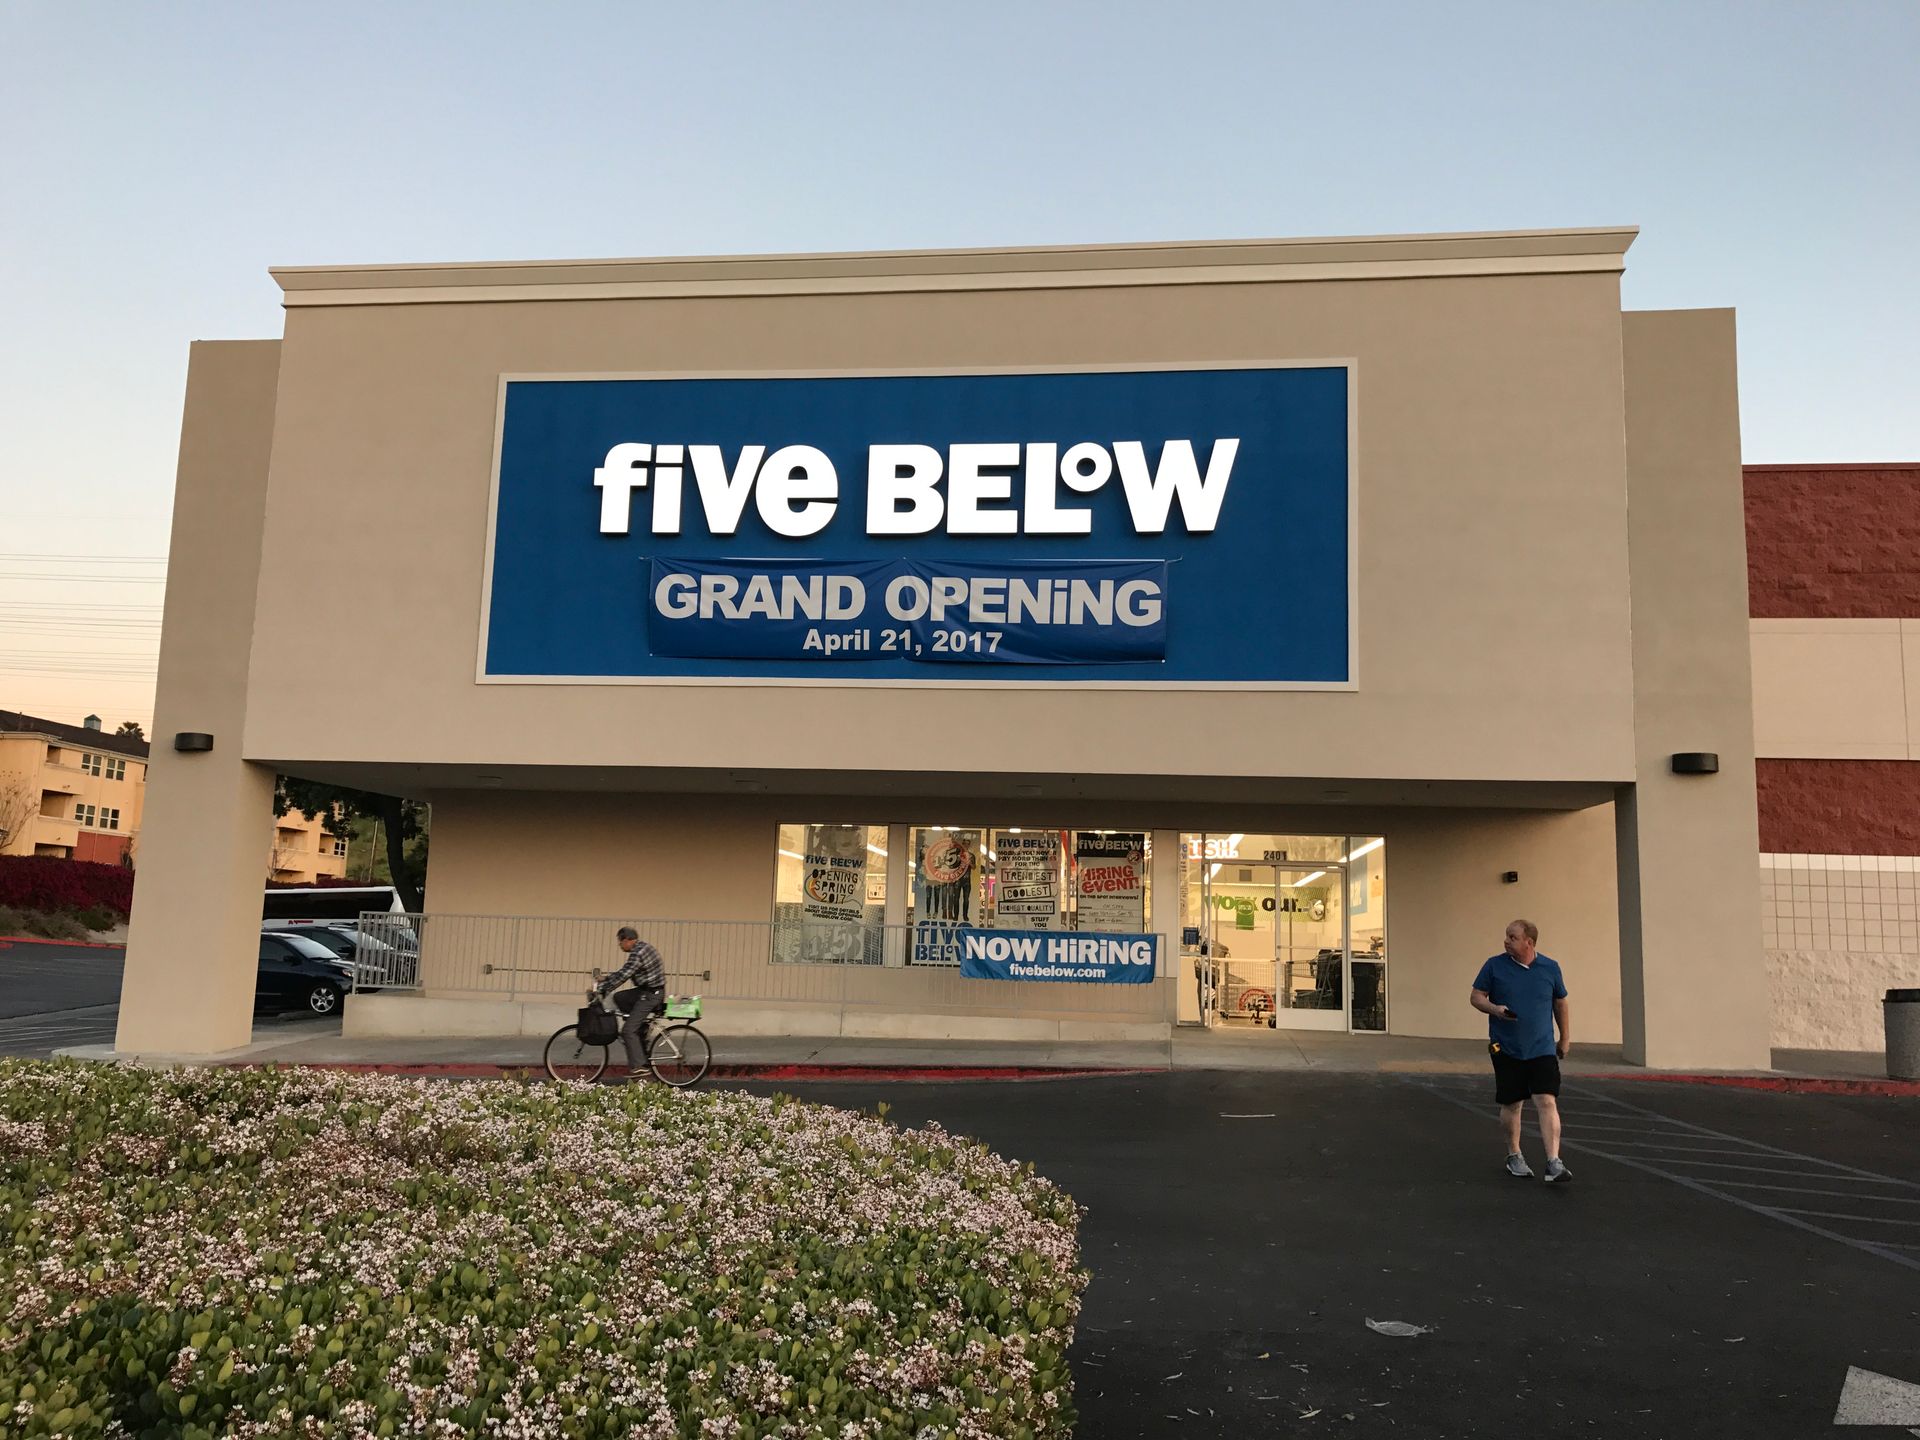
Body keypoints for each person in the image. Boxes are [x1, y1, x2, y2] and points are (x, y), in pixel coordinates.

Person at [1470, 919, 1573, 1183]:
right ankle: (1514, 1155)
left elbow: (1560, 1003)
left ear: (1529, 942)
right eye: (1506, 936)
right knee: (1512, 1103)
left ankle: (1554, 1162)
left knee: (1546, 1100)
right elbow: (1476, 997)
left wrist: (1564, 1038)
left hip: (1542, 1047)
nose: (1506, 941)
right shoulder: (1494, 966)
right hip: (1506, 1047)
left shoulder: (1550, 968)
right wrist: (1496, 1009)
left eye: (1512, 937)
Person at [596, 925, 666, 1081]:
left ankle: (640, 1067)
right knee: (619, 998)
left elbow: (624, 976)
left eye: (620, 942)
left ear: (627, 940)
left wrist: (602, 989)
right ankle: (639, 1032)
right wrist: (607, 978)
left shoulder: (638, 953)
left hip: (651, 995)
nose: (619, 945)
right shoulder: (641, 948)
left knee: (627, 1031)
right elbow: (624, 971)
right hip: (646, 991)